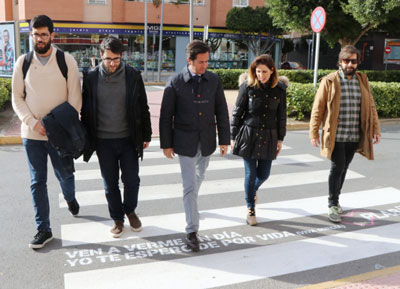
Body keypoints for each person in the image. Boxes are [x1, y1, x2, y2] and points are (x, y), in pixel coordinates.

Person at [11, 15, 82, 249]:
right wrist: (34, 123)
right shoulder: (22, 63)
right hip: (31, 136)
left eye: (43, 34)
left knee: (66, 177)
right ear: (30, 35)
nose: (39, 38)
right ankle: (44, 228)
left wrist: (51, 125)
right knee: (36, 181)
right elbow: (17, 99)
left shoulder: (66, 61)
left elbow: (75, 101)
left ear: (52, 35)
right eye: (35, 34)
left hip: (60, 135)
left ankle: (70, 199)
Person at [159, 40, 230, 252]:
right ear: (189, 60)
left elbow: (222, 111)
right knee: (189, 185)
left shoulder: (214, 80)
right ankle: (192, 231)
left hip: (207, 140)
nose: (204, 65)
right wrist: (166, 144)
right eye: (200, 62)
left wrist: (225, 139)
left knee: (200, 177)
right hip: (184, 141)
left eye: (207, 61)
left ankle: (192, 206)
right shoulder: (175, 82)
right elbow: (165, 117)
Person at [81, 36, 152, 238]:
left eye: (116, 59)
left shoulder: (132, 76)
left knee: (132, 180)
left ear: (122, 56)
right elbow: (86, 111)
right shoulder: (92, 77)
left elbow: (143, 107)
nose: (112, 63)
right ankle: (117, 219)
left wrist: (146, 134)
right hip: (103, 141)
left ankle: (130, 210)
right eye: (107, 59)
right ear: (100, 56)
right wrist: (87, 139)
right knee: (110, 183)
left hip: (128, 139)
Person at [309, 45, 381, 223]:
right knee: (337, 167)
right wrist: (314, 132)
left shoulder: (362, 80)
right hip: (336, 134)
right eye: (346, 60)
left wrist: (376, 130)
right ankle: (332, 203)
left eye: (353, 61)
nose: (350, 64)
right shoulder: (329, 81)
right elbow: (317, 108)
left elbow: (371, 107)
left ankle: (336, 200)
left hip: (354, 134)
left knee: (344, 168)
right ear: (340, 62)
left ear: (357, 63)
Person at [231, 54, 288, 226]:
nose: (261, 75)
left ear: (272, 71)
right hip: (249, 134)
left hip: (269, 136)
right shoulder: (247, 87)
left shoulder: (279, 89)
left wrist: (280, 139)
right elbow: (237, 113)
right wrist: (233, 136)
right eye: (257, 71)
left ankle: (252, 190)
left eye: (264, 71)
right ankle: (250, 208)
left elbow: (282, 116)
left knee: (264, 174)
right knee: (250, 173)